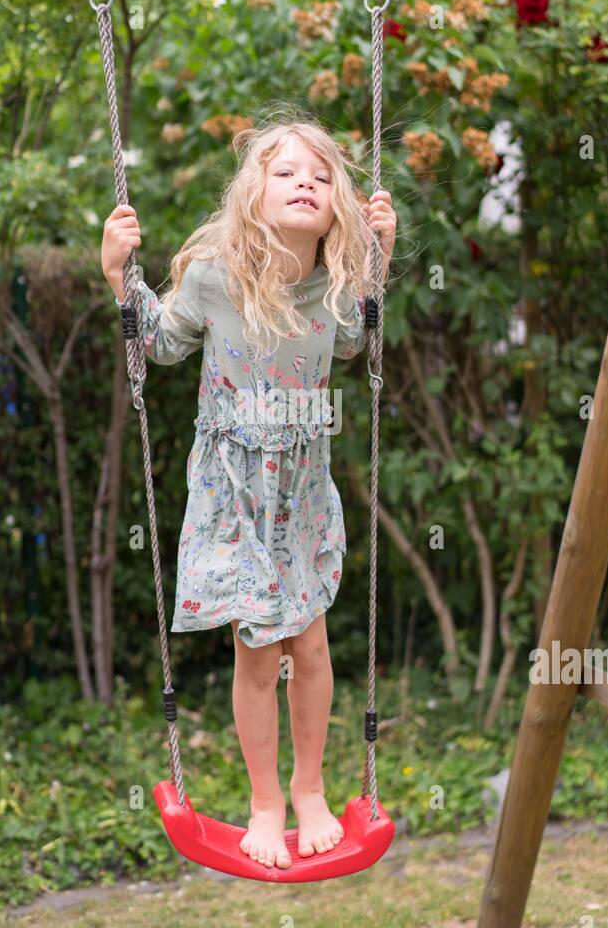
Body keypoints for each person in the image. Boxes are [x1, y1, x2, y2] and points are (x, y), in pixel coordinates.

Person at [101, 116, 396, 870]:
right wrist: (119, 281)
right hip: (233, 483)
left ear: (339, 204)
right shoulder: (213, 276)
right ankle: (264, 801)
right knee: (258, 651)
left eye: (322, 176)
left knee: (312, 641)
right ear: (252, 192)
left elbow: (359, 341)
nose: (306, 182)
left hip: (300, 482)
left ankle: (309, 790)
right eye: (287, 171)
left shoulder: (334, 282)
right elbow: (161, 348)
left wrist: (380, 260)